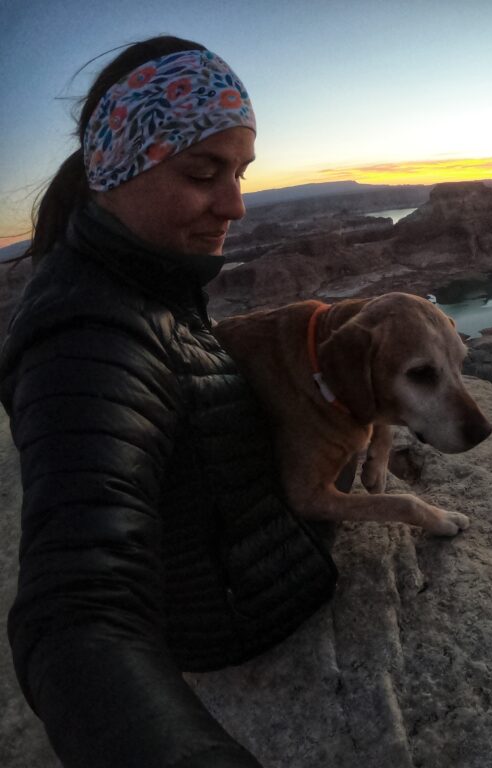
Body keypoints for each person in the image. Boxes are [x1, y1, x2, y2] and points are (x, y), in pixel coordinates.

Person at [0, 36, 339, 767]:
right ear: (115, 168)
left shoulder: (149, 283)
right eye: (202, 172)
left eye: (242, 172)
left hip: (260, 577)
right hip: (234, 626)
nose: (237, 205)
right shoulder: (84, 338)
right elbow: (78, 616)